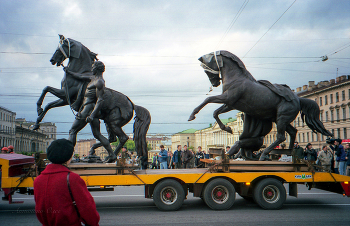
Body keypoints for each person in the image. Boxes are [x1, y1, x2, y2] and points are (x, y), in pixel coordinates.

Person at [34, 139, 99, 226]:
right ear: (69, 156)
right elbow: (87, 209)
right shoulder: (72, 179)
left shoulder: (38, 180)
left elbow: (40, 209)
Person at [65, 61, 117, 163]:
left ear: (97, 69)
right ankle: (112, 154)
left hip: (88, 109)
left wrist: (92, 115)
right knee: (97, 134)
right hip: (90, 109)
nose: (91, 68)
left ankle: (68, 157)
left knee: (73, 131)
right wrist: (69, 72)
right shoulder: (93, 78)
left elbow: (100, 100)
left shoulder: (99, 82)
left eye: (93, 67)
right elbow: (80, 76)